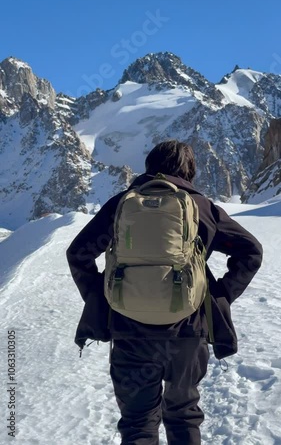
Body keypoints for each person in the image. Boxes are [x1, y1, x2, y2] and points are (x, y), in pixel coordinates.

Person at [66, 140, 263, 445]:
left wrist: (104, 297)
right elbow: (251, 251)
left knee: (138, 423)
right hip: (187, 332)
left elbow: (78, 253)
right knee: (183, 414)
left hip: (130, 333)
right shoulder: (202, 207)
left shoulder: (121, 204)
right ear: (190, 171)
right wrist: (218, 296)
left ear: (149, 166)